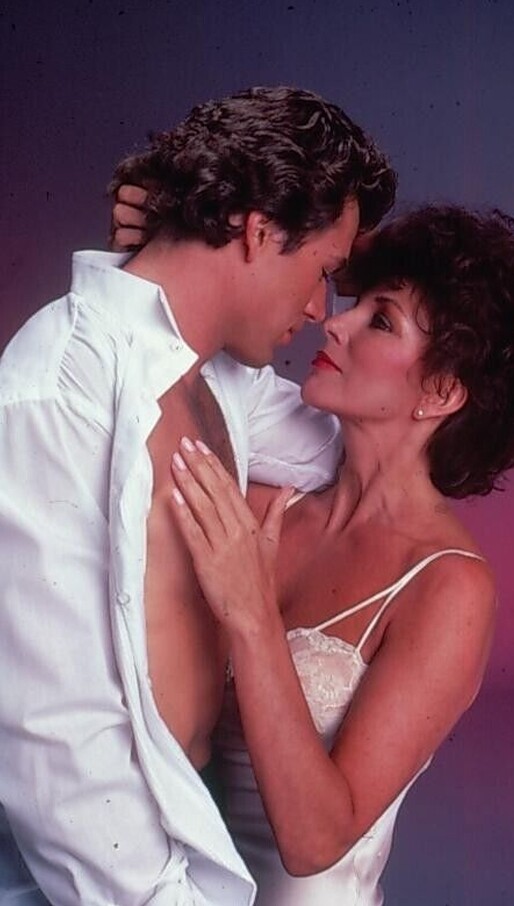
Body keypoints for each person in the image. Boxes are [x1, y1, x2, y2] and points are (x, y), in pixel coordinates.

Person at [0, 87, 395, 906]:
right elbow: (53, 744)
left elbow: (356, 451)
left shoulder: (218, 380)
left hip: (197, 853)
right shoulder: (59, 391)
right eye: (322, 272)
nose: (318, 309)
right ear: (258, 230)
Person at [164, 205, 514, 905]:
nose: (335, 322)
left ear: (442, 392)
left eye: (380, 320)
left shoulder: (448, 587)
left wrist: (252, 616)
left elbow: (315, 840)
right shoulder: (266, 502)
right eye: (354, 301)